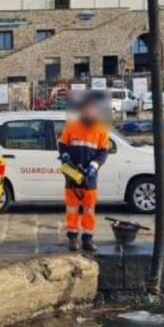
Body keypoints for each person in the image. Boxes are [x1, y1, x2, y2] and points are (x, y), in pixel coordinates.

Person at [58, 92, 110, 252]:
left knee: (89, 208)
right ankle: (73, 239)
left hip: (89, 175)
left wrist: (94, 166)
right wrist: (65, 155)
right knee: (72, 208)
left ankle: (87, 239)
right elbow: (62, 145)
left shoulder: (101, 129)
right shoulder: (72, 126)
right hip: (72, 173)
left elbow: (103, 151)